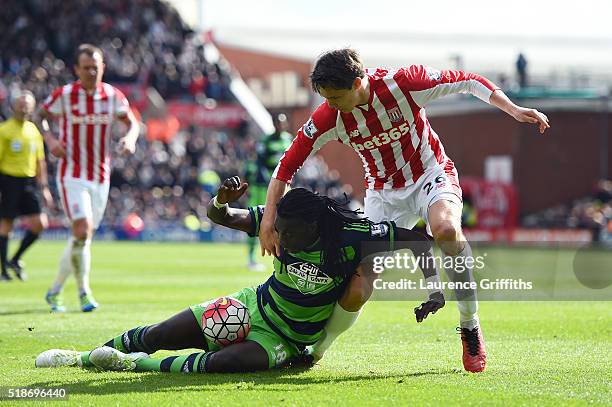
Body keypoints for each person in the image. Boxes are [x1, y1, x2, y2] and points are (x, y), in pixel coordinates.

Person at [259, 48, 551, 372]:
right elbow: (285, 168)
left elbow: (469, 80)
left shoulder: (405, 84)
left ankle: (470, 325)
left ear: (358, 83)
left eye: (335, 97)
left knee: (447, 231)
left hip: (430, 174)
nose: (330, 105)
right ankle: (316, 351)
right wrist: (268, 220)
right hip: (383, 196)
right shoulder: (331, 118)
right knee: (359, 284)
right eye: (326, 98)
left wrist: (512, 108)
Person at [35, 176, 445, 373]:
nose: (277, 238)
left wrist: (434, 288)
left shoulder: (354, 233)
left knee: (219, 364)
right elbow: (220, 217)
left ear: (315, 229)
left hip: (288, 339)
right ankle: (83, 357)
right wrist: (220, 200)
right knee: (162, 333)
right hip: (254, 308)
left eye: (286, 234)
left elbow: (420, 241)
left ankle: (132, 366)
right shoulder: (276, 220)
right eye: (275, 229)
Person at [39, 44, 140, 312]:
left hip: (100, 176)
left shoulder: (112, 95)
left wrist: (129, 139)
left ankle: (54, 291)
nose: (92, 72)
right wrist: (50, 139)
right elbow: (41, 116)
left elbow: (132, 122)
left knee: (82, 238)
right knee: (82, 231)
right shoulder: (65, 95)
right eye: (86, 68)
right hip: (72, 174)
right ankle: (84, 293)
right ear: (76, 69)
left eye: (96, 67)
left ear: (103, 68)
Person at [0, 91, 53, 281]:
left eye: (28, 104)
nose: (24, 107)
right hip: (8, 180)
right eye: (21, 103)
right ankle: (3, 269)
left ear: (32, 107)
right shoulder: (4, 130)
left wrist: (45, 188)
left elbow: (40, 162)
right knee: (7, 224)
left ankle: (15, 259)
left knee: (40, 224)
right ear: (13, 106)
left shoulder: (33, 131)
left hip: (29, 182)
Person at [244, 113, 294, 271]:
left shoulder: (288, 139)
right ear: (273, 124)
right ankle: (251, 257)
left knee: (288, 219)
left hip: (284, 185)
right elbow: (259, 163)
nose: (280, 126)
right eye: (278, 123)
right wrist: (270, 183)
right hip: (263, 186)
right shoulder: (265, 141)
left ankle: (287, 256)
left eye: (283, 123)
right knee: (256, 216)